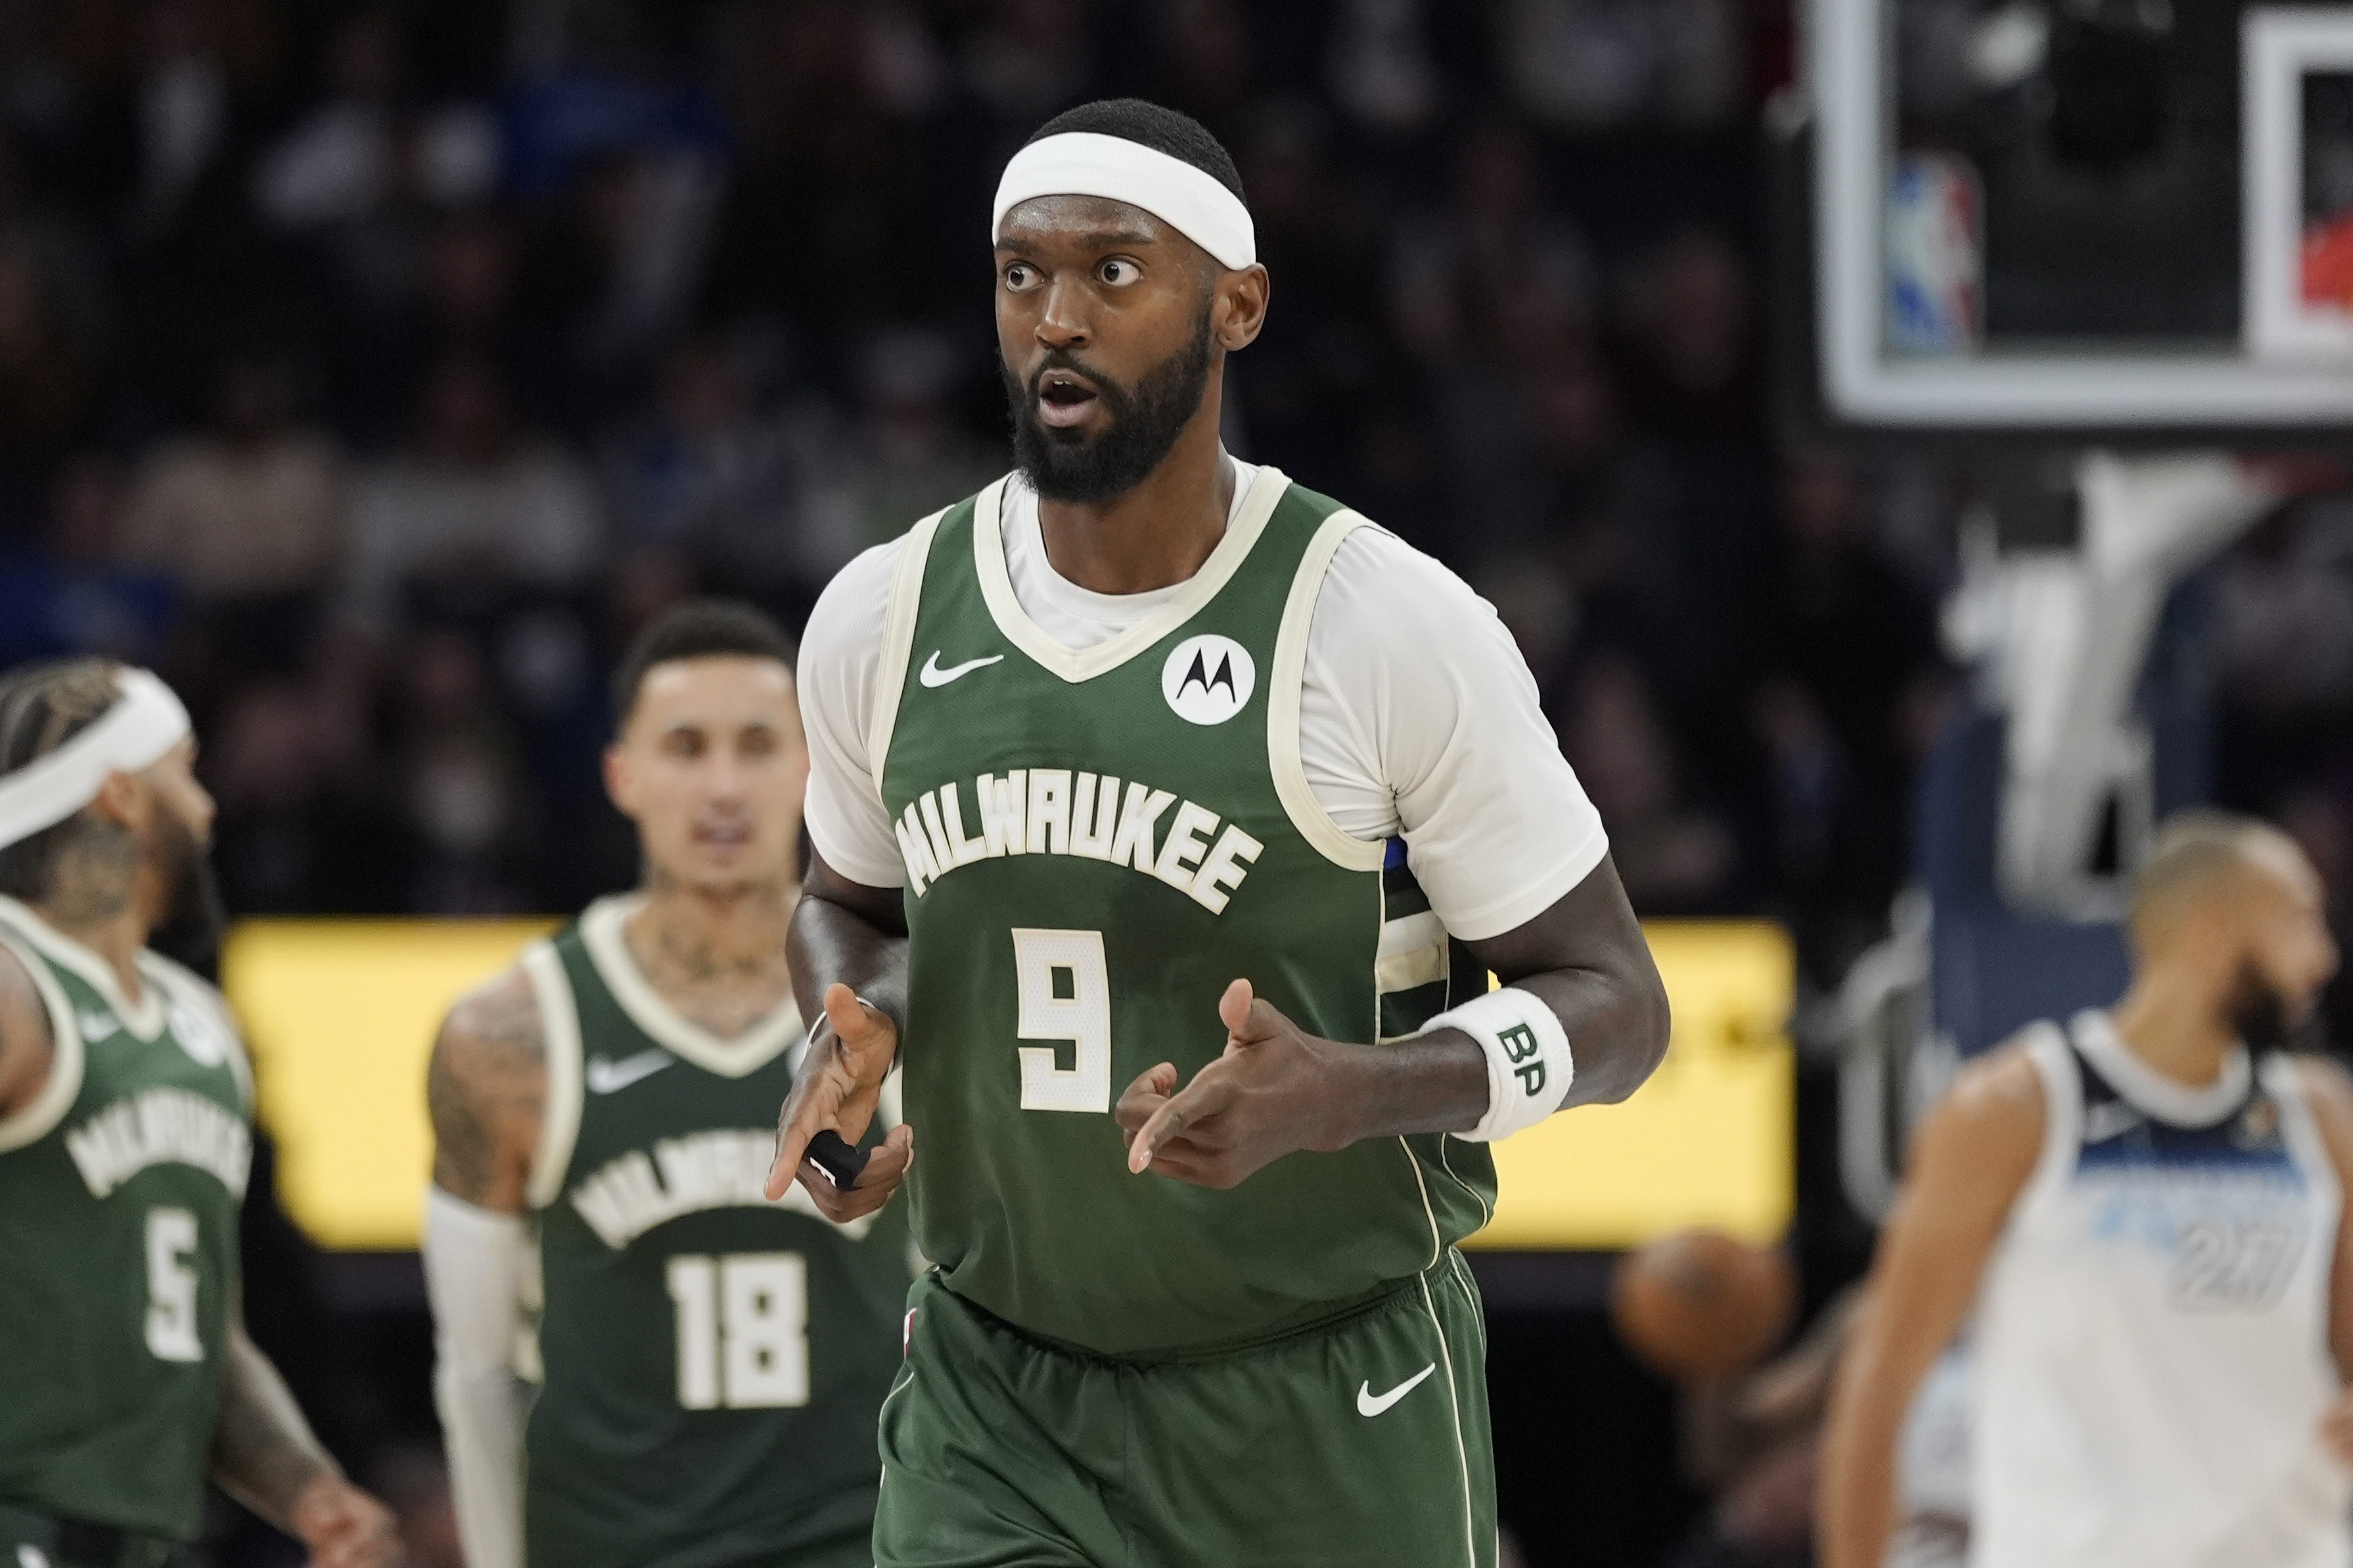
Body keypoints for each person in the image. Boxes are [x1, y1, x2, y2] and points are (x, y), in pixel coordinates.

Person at [769, 98, 1672, 1568]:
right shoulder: (883, 614)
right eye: (1020, 274)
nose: (1057, 317)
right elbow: (847, 905)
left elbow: (1618, 1008)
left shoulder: (1384, 622)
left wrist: (1353, 1093)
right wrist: (843, 1027)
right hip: (997, 1400)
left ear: (1237, 304)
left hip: (1323, 1397)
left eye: (1113, 271)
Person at [422, 600, 911, 1568]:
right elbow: (478, 1371)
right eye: (686, 747)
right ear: (623, 774)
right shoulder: (510, 1035)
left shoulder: (901, 1011)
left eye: (757, 745)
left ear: (814, 769)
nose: (723, 785)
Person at [1819, 809, 2353, 1568]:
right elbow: (1881, 1382)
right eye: (2298, 920)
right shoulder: (2013, 1109)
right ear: (2210, 932)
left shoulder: (2318, 1114)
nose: (2322, 957)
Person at [0, 659, 400, 1568]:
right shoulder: (15, 982)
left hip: (145, 1538)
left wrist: (308, 1489)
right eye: (184, 769)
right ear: (120, 794)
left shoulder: (201, 1022)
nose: (208, 806)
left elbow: (200, 1338)